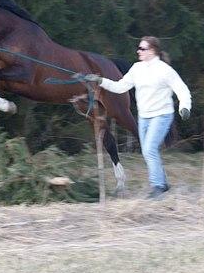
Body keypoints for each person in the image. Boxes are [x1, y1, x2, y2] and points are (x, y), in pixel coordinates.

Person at [80, 36, 192, 199]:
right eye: (139, 48)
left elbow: (182, 89)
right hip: (145, 117)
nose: (138, 51)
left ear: (153, 51)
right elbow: (120, 87)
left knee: (149, 149)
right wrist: (100, 80)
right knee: (148, 151)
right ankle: (163, 183)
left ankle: (158, 187)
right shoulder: (136, 69)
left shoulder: (164, 70)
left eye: (143, 49)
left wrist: (184, 107)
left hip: (161, 115)